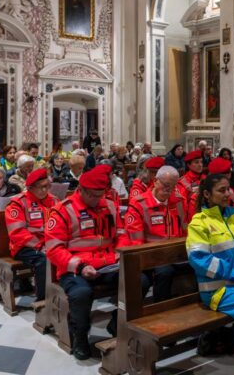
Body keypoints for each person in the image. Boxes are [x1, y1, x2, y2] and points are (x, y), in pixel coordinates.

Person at [44, 166, 145, 360]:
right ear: (80, 189)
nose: (97, 199)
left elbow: (121, 234)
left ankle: (117, 323)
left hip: (108, 263)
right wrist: (80, 266)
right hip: (75, 268)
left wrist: (120, 253)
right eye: (92, 195)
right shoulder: (62, 211)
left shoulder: (109, 206)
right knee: (81, 293)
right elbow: (54, 249)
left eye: (100, 195)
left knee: (139, 280)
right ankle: (80, 337)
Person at [186, 173, 234, 344]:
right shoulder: (199, 223)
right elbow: (199, 259)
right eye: (221, 190)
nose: (227, 194)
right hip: (218, 289)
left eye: (228, 189)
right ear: (207, 194)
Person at [121, 166, 186, 302]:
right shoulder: (139, 203)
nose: (169, 190)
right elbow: (136, 241)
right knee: (165, 272)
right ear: (156, 181)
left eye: (173, 186)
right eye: (166, 185)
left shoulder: (178, 201)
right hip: (151, 254)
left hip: (176, 252)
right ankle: (161, 307)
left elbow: (185, 228)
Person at [6, 168, 57, 301]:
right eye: (41, 187)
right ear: (30, 187)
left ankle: (62, 293)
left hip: (50, 243)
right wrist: (40, 246)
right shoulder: (18, 203)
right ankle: (44, 299)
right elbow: (17, 233)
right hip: (24, 246)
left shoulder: (54, 201)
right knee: (43, 260)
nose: (45, 190)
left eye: (47, 186)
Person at [173, 150, 205, 227]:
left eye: (201, 162)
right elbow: (182, 207)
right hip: (191, 222)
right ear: (188, 165)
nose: (200, 165)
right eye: (196, 162)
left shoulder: (206, 179)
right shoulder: (183, 182)